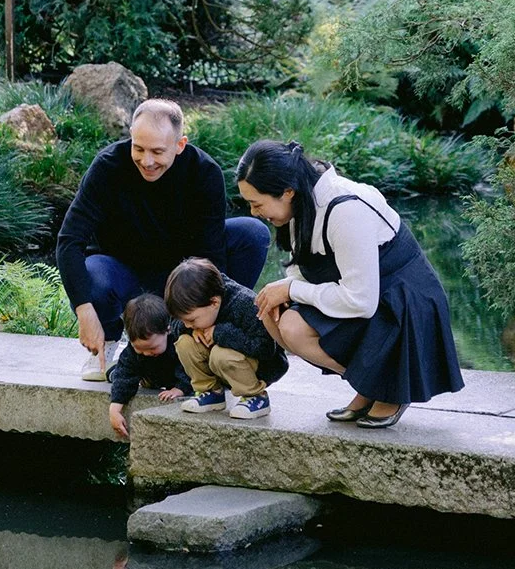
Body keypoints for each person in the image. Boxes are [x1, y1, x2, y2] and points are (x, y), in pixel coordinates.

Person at [236, 139, 463, 428]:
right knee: (272, 313)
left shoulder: (345, 209)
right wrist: (284, 290)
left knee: (293, 326)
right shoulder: (301, 202)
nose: (254, 212)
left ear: (287, 192)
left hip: (400, 304)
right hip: (365, 297)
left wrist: (291, 290)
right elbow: (305, 267)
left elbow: (361, 301)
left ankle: (388, 386)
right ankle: (371, 384)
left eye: (257, 203)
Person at [56, 98, 270, 379]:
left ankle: (210, 338)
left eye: (157, 151)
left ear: (180, 145)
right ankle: (106, 345)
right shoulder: (107, 167)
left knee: (252, 234)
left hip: (181, 275)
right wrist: (84, 311)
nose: (146, 161)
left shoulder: (204, 172)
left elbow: (212, 255)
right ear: (131, 136)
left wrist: (205, 313)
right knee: (93, 274)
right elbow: (69, 240)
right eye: (138, 148)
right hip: (124, 272)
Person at [165, 256, 288, 419]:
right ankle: (210, 392)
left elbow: (264, 348)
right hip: (224, 364)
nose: (187, 324)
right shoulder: (199, 310)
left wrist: (220, 333)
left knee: (220, 355)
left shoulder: (245, 304)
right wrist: (191, 329)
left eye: (191, 320)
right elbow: (174, 324)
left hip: (259, 366)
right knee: (184, 343)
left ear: (214, 303)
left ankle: (256, 397)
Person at [109, 293, 192, 439]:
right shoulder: (132, 352)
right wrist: (115, 409)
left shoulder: (178, 341)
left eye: (152, 348)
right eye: (139, 349)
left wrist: (180, 388)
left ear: (167, 330)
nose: (146, 353)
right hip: (147, 374)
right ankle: (112, 371)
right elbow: (125, 376)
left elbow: (188, 367)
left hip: (171, 375)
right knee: (119, 373)